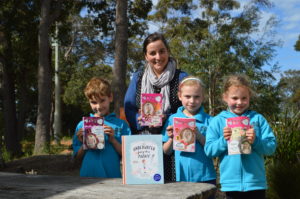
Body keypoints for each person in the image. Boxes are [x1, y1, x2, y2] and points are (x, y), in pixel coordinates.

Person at [124, 32, 188, 181]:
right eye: (152, 53)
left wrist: (169, 118)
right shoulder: (138, 78)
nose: (158, 57)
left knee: (173, 187)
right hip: (145, 143)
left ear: (168, 51)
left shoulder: (181, 77)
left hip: (173, 140)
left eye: (162, 51)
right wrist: (139, 120)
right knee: (147, 186)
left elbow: (190, 108)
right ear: (146, 56)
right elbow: (129, 107)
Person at [204, 74, 276, 199]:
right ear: (225, 97)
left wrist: (256, 141)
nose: (239, 102)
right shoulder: (217, 121)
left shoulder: (257, 119)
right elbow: (209, 150)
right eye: (234, 98)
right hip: (231, 185)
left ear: (249, 98)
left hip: (256, 184)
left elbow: (271, 147)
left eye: (244, 98)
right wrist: (223, 140)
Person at [162, 76, 216, 185]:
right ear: (180, 96)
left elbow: (213, 151)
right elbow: (166, 151)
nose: (192, 101)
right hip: (180, 177)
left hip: (205, 177)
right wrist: (172, 139)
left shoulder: (210, 121)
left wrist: (198, 135)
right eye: (187, 96)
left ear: (203, 97)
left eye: (196, 97)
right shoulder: (172, 119)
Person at [73, 77, 131, 178]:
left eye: (102, 100)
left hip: (112, 178)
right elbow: (77, 158)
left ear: (110, 97)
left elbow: (129, 155)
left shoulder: (121, 125)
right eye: (94, 102)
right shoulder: (82, 125)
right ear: (89, 102)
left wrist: (113, 140)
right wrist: (84, 144)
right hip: (86, 179)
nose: (99, 106)